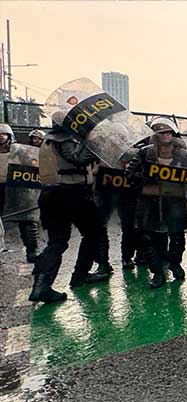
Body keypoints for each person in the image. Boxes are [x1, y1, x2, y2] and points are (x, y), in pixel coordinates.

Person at [29, 112, 110, 303]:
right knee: (92, 233)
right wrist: (93, 143)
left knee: (57, 242)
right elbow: (77, 159)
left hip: (52, 195)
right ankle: (79, 275)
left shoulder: (48, 140)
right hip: (72, 194)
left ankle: (42, 285)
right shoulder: (63, 139)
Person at [127, 118, 187, 289]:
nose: (166, 136)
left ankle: (175, 263)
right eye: (162, 133)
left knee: (177, 237)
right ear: (155, 136)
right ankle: (158, 273)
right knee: (151, 238)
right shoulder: (145, 153)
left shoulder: (182, 154)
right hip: (151, 201)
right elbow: (129, 172)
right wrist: (146, 180)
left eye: (169, 133)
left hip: (175, 200)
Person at [1, 125, 41, 263]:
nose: (1, 136)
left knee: (27, 220)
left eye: (4, 134)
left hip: (16, 187)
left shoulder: (19, 151)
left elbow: (34, 164)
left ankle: (32, 251)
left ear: (9, 136)